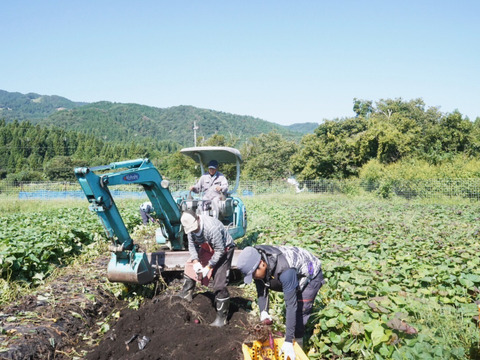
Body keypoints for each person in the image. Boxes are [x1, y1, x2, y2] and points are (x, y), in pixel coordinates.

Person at [236, 245, 324, 360]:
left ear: (262, 263)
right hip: (291, 274)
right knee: (291, 300)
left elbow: (291, 306)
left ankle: (298, 344)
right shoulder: (257, 259)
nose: (253, 278)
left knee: (300, 311)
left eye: (253, 274)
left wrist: (288, 341)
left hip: (311, 275)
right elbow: (262, 291)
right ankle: (292, 339)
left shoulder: (285, 271)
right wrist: (264, 311)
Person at [177, 210, 235, 327]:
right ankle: (186, 296)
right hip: (207, 247)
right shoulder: (189, 227)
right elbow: (192, 245)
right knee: (189, 268)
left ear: (197, 219)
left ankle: (221, 318)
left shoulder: (211, 228)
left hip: (224, 249)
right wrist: (195, 261)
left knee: (219, 283)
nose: (193, 231)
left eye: (195, 228)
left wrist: (208, 266)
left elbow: (219, 250)